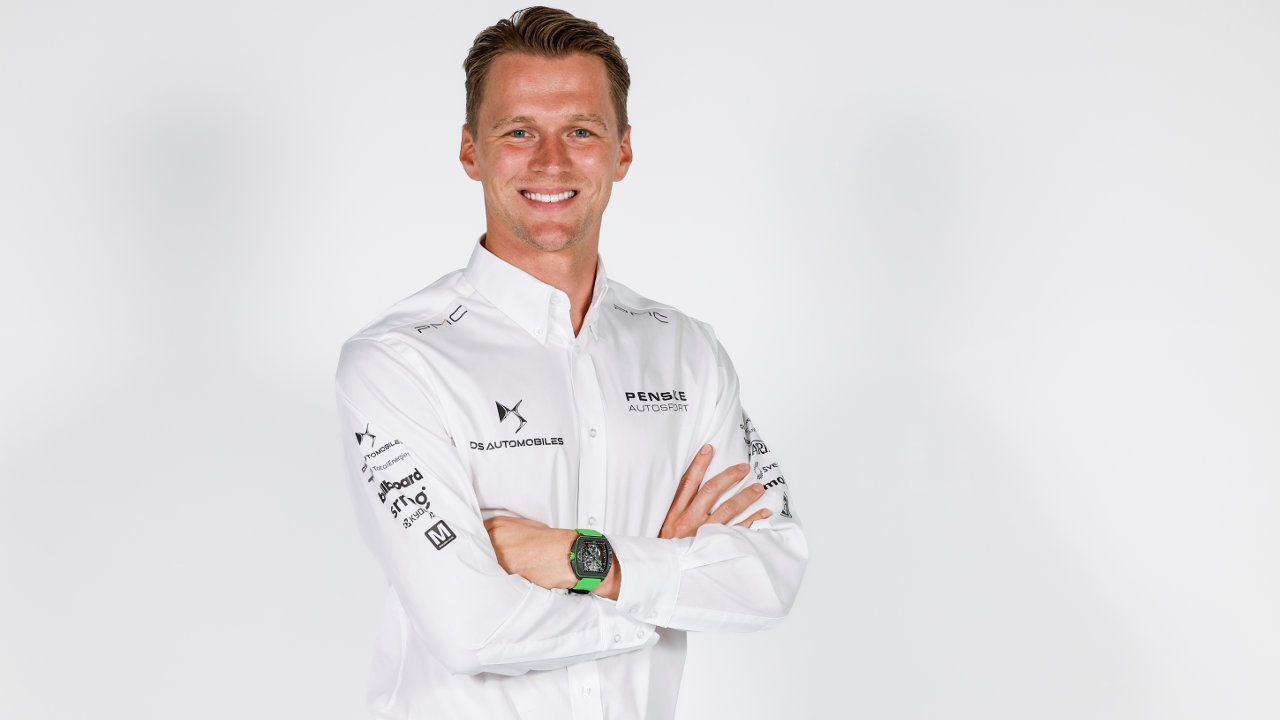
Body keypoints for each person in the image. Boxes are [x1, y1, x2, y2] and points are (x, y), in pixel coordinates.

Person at [334, 7, 807, 718]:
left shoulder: (687, 354)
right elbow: (470, 629)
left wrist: (582, 559)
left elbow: (770, 575)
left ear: (622, 152)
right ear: (471, 152)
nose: (551, 161)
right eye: (518, 131)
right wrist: (659, 579)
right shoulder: (399, 363)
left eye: (581, 131)